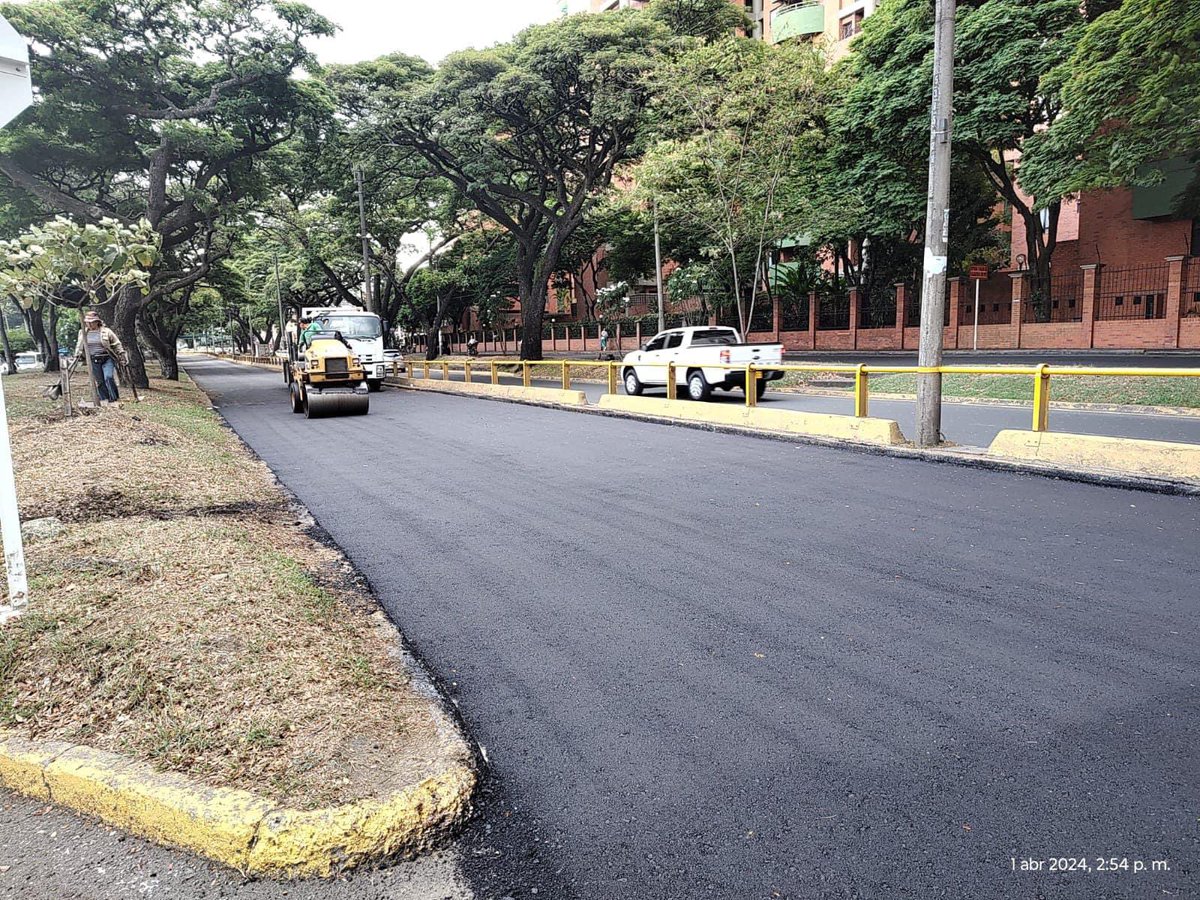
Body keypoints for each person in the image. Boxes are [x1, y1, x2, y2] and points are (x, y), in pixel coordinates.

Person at [74, 311, 127, 403]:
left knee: (108, 377)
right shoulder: (82, 333)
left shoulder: (106, 331)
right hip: (93, 359)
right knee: (100, 382)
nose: (90, 324)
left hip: (107, 358)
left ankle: (114, 399)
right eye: (88, 322)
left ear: (97, 321)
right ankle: (104, 400)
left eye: (92, 322)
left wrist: (121, 354)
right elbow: (79, 345)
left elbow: (116, 344)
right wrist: (77, 355)